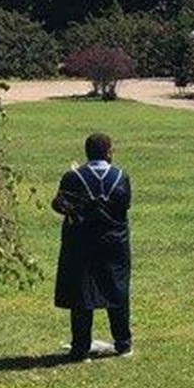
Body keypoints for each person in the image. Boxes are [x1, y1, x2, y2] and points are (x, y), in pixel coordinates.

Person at [52, 132, 133, 360]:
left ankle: (81, 348)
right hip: (114, 243)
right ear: (108, 152)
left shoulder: (73, 177)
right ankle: (123, 344)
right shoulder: (121, 176)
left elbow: (60, 204)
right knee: (117, 291)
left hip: (81, 244)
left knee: (82, 295)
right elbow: (124, 205)